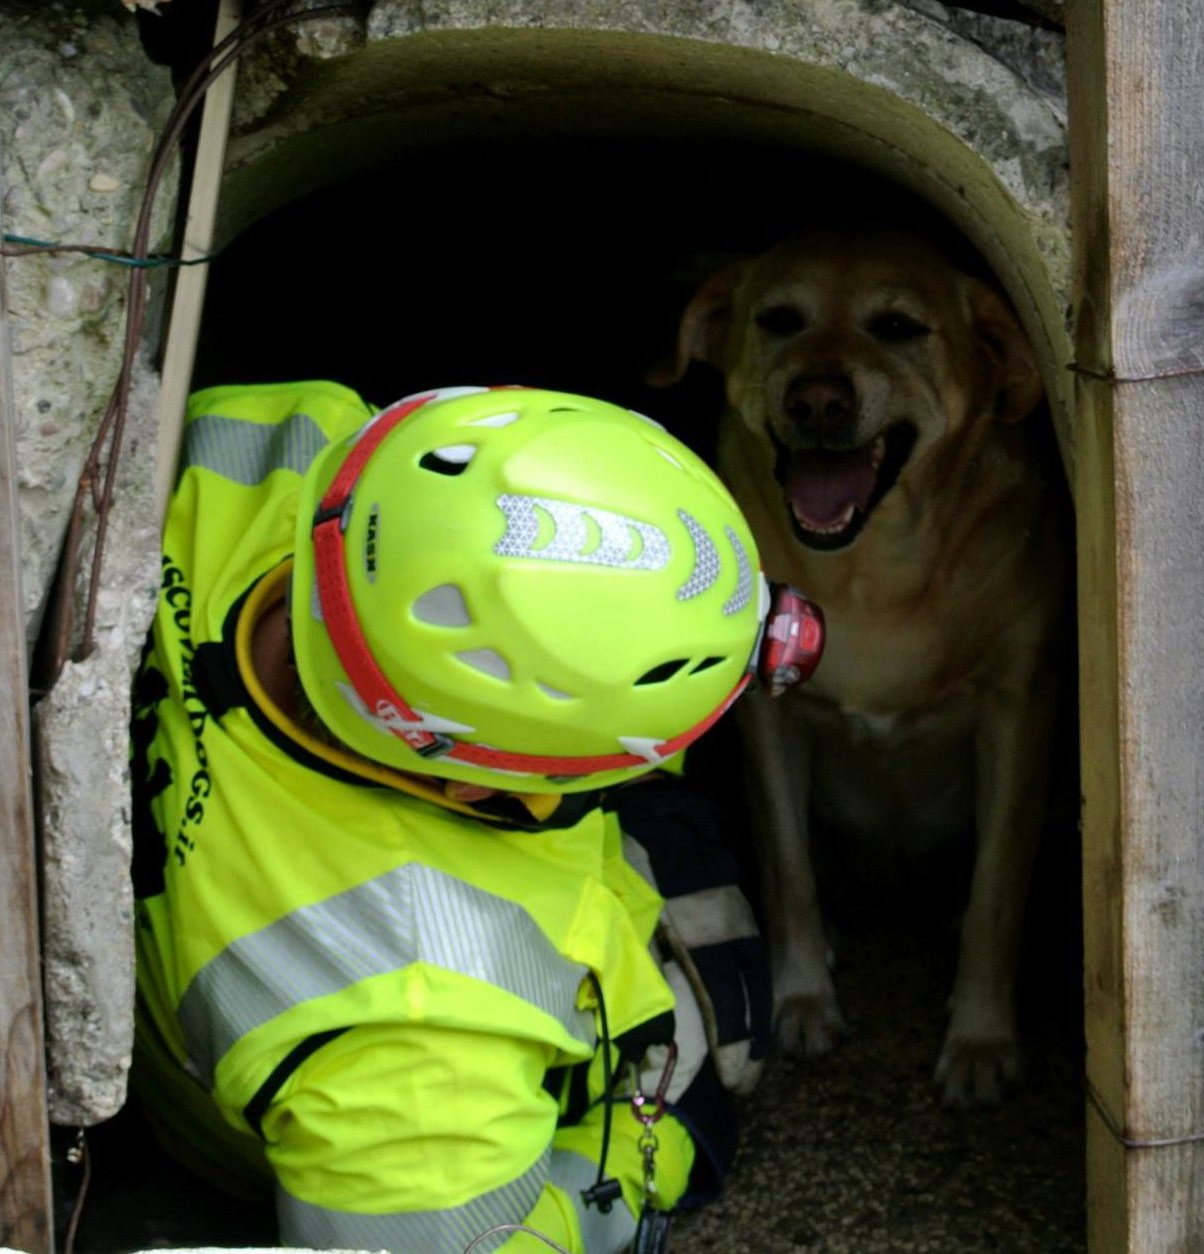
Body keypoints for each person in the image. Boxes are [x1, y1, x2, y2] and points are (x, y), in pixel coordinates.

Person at [129, 380, 801, 1252]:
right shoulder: (420, 1060)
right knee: (698, 1086)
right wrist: (659, 1145)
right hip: (330, 1114)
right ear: (467, 788)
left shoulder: (268, 441)